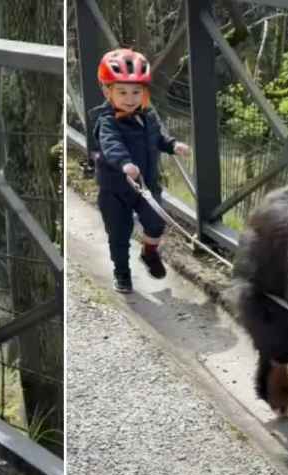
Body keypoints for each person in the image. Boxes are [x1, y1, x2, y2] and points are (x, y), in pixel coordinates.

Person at [89, 48, 190, 293]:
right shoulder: (107, 120)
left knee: (156, 222)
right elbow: (111, 144)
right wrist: (125, 163)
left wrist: (172, 145)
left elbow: (158, 137)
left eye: (136, 92)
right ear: (107, 91)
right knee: (119, 235)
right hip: (116, 190)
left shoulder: (148, 115)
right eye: (122, 92)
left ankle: (149, 251)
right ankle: (122, 273)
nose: (130, 98)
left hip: (146, 185)